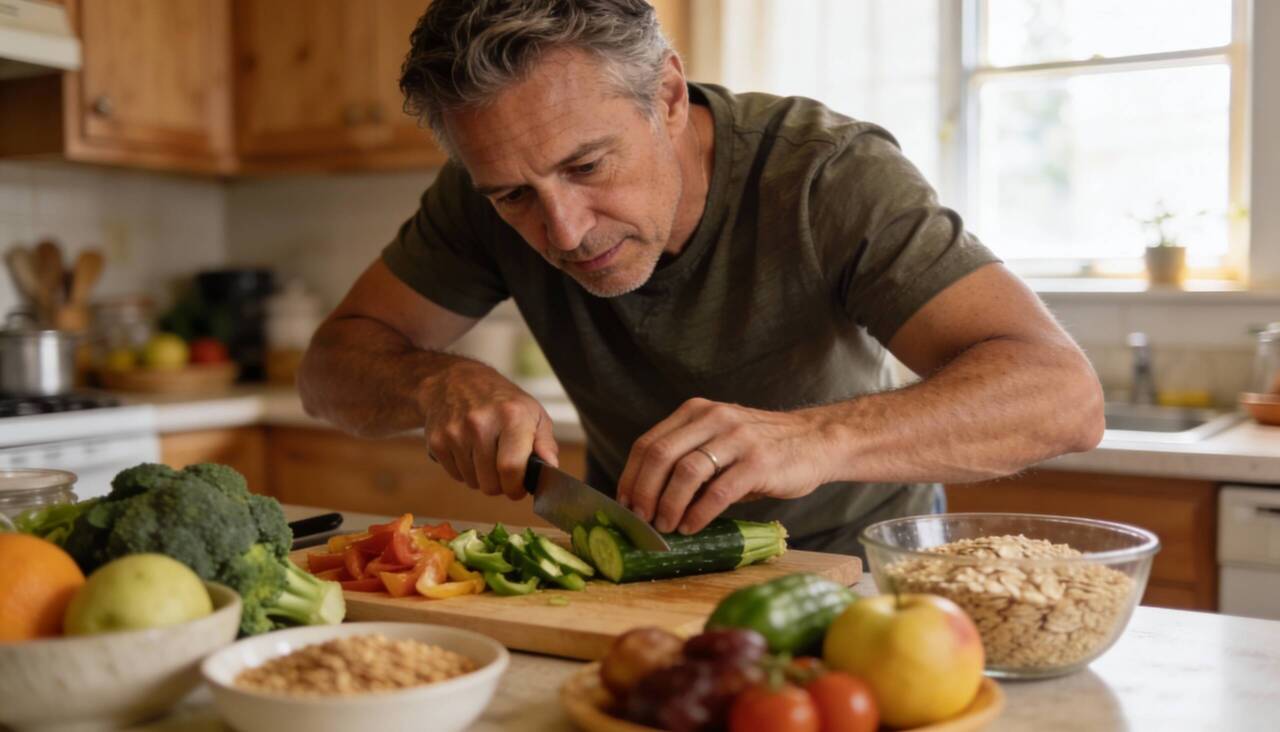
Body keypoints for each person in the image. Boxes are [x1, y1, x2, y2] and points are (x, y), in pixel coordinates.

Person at [298, 0, 1104, 556]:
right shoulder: (481, 195)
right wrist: (433, 383)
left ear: (670, 96)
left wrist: (816, 437)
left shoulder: (828, 175)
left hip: (858, 568)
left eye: (587, 164)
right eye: (514, 196)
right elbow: (329, 369)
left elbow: (1063, 396)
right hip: (639, 562)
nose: (565, 231)